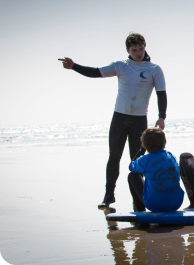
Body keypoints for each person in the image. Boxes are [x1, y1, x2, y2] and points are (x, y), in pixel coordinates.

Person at [58, 33, 167, 207]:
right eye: (134, 50)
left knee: (137, 161)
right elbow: (95, 72)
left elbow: (161, 93)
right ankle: (109, 196)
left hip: (139, 119)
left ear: (145, 46)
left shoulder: (154, 69)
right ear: (127, 50)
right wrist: (74, 66)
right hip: (119, 118)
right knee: (114, 157)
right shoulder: (120, 66)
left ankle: (138, 200)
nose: (138, 53)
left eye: (141, 49)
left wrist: (162, 116)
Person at [128, 128, 184, 212]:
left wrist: (142, 149)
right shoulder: (171, 156)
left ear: (144, 144)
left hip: (154, 205)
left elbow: (131, 166)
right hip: (176, 203)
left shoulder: (145, 159)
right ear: (165, 142)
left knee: (132, 176)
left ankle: (140, 212)